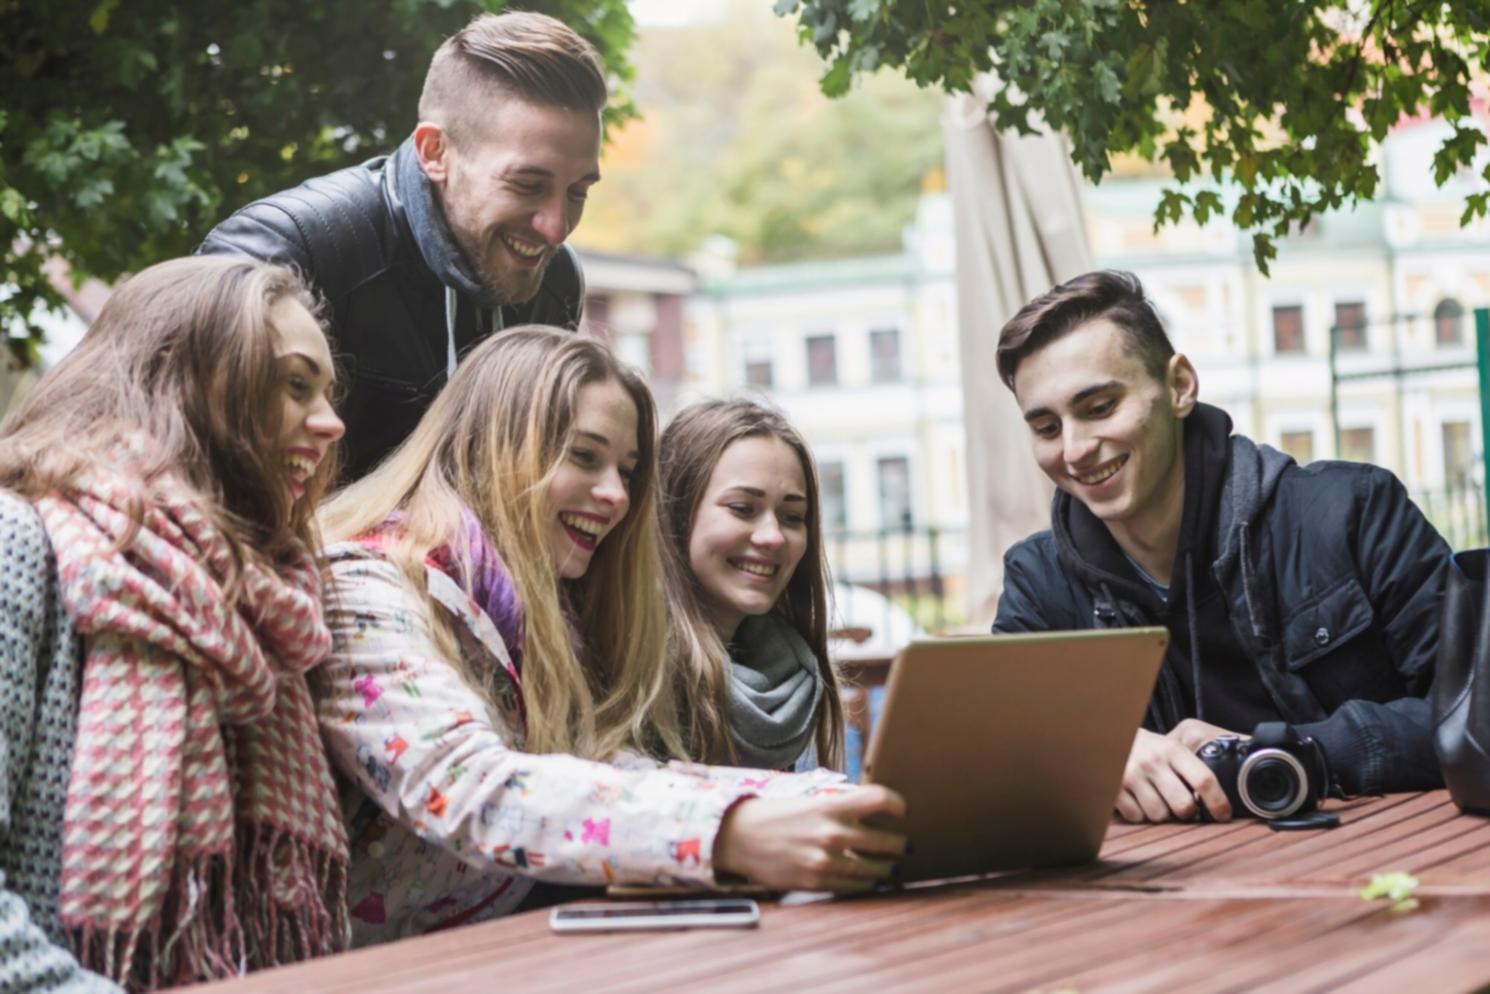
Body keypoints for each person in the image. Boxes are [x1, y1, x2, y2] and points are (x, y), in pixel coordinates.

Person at [316, 327, 906, 944]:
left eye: (626, 470)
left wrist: (818, 797)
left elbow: (603, 763)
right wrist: (732, 831)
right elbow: (469, 789)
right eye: (584, 456)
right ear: (493, 444)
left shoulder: (523, 610)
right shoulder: (366, 585)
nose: (616, 496)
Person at [0, 256, 349, 990]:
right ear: (186, 380)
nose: (332, 422)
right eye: (294, 384)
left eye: (327, 391)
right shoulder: (18, 543)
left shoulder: (270, 600)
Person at [991, 270, 1452, 824]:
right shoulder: (1039, 583)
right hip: (1163, 895)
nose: (1075, 450)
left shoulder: (1353, 512)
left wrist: (1282, 756)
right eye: (1046, 427)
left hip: (1395, 860)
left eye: (1099, 407)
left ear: (1180, 386)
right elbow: (996, 756)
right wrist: (1097, 752)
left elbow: (1475, 715)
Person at [199, 11, 600, 480]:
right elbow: (189, 470)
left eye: (578, 192)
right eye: (527, 184)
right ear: (435, 152)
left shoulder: (556, 281)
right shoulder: (286, 249)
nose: (555, 229)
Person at [657, 399, 846, 771]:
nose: (773, 537)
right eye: (743, 508)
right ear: (674, 511)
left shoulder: (796, 675)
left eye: (793, 516)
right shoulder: (631, 676)